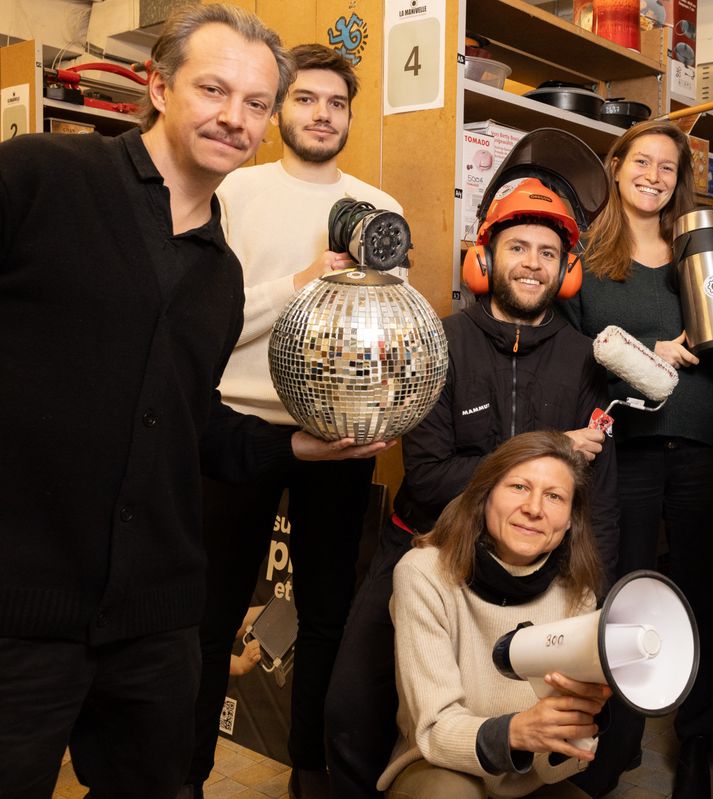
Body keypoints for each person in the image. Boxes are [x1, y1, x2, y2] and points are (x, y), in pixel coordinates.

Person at [0, 5, 388, 798]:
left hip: (155, 618)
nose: (234, 117)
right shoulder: (42, 177)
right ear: (158, 86)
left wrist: (294, 447)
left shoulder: (219, 274)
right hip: (21, 603)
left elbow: (190, 417)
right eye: (214, 89)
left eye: (254, 102)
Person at [325, 177, 618, 798]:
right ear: (484, 259)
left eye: (547, 252)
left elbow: (600, 501)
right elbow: (428, 475)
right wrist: (553, 447)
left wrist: (600, 607)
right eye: (518, 248)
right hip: (425, 549)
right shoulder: (439, 342)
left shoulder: (587, 360)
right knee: (353, 707)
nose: (532, 264)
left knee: (536, 709)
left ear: (567, 270)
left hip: (535, 569)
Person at [185, 43, 403, 799]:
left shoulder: (379, 208)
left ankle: (312, 771)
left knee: (327, 615)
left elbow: (386, 332)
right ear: (279, 109)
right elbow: (210, 325)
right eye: (306, 98)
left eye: (336, 103)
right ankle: (188, 773)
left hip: (339, 442)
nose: (322, 114)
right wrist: (305, 283)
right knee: (211, 616)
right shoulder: (233, 192)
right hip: (236, 431)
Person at [562, 119, 713, 798]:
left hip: (703, 442)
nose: (654, 176)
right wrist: (644, 354)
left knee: (706, 596)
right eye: (642, 162)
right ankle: (619, 744)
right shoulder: (583, 253)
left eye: (668, 167)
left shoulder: (702, 249)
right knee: (621, 596)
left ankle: (694, 745)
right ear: (616, 165)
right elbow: (571, 355)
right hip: (626, 449)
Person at [378, 432, 609, 798]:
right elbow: (434, 730)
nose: (534, 508)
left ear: (570, 520)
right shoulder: (423, 574)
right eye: (519, 487)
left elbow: (559, 767)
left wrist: (581, 723)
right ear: (484, 495)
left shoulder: (577, 595)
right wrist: (514, 733)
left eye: (554, 496)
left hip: (527, 780)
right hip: (439, 769)